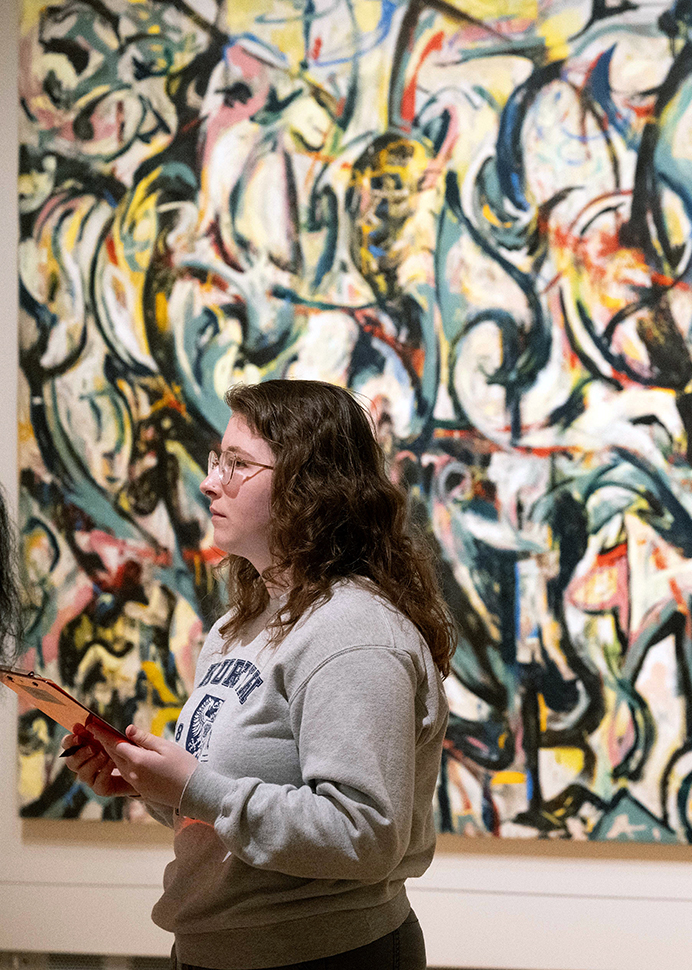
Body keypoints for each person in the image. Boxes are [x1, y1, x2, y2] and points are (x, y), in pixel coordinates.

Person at [62, 380, 454, 970]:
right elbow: (234, 808)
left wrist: (194, 788)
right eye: (217, 459)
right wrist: (153, 785)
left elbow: (364, 833)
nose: (209, 481)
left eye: (237, 464)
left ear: (309, 486)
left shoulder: (355, 631)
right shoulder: (236, 626)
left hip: (325, 955)